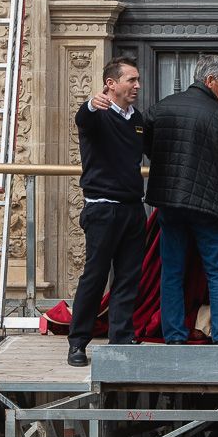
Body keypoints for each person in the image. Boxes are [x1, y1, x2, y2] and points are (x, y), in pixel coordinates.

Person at [145, 56, 218, 345]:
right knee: (217, 269)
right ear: (210, 81)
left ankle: (174, 336)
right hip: (207, 203)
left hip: (170, 200)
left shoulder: (162, 107)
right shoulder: (217, 115)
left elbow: (145, 138)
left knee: (172, 270)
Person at [67, 57, 146, 368]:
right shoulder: (97, 114)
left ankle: (121, 336)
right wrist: (89, 103)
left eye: (137, 80)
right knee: (95, 276)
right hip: (102, 209)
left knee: (128, 277)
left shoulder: (136, 119)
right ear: (111, 84)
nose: (137, 85)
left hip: (132, 209)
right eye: (131, 80)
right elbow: (82, 119)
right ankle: (78, 343)